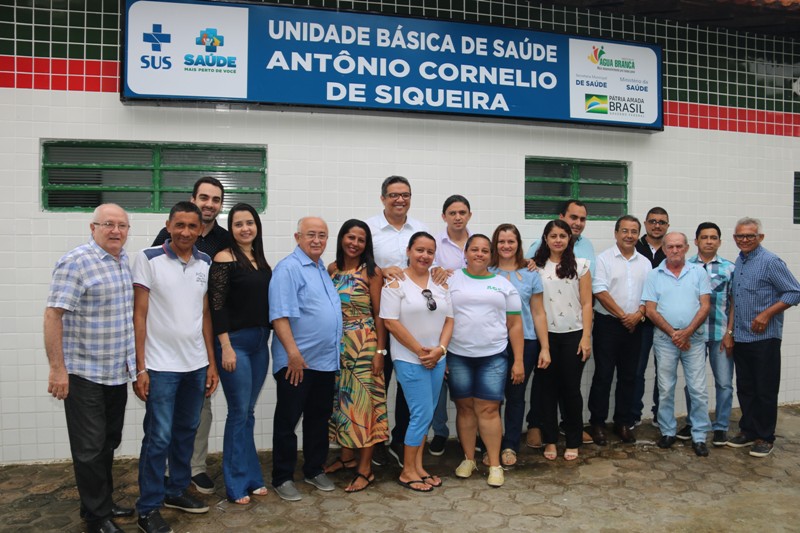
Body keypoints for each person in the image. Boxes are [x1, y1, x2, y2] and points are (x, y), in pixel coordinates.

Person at [44, 204, 135, 533]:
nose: (115, 231)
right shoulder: (76, 262)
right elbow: (53, 314)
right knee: (89, 448)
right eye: (108, 224)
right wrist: (58, 369)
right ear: (92, 227)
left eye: (122, 226)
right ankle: (97, 519)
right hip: (84, 373)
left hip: (115, 373)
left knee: (108, 441)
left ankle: (100, 503)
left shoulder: (124, 260)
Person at [133, 202, 219, 533]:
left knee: (186, 431)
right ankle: (148, 507)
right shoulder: (148, 258)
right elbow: (139, 314)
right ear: (168, 225)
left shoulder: (205, 261)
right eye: (179, 225)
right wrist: (140, 368)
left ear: (200, 230)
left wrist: (210, 362)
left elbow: (205, 314)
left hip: (195, 365)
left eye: (192, 227)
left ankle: (176, 489)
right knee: (158, 437)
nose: (185, 232)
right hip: (160, 366)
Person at [152, 176, 229, 494]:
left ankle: (195, 467)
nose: (209, 204)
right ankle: (167, 470)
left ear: (220, 205)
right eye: (204, 197)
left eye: (215, 199)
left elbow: (220, 297)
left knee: (201, 407)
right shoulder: (167, 235)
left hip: (204, 338)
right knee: (166, 410)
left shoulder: (224, 241)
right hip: (167, 343)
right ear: (193, 198)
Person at [268, 217, 342, 501]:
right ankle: (283, 477)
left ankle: (314, 469)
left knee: (317, 419)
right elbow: (279, 315)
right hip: (297, 363)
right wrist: (293, 355)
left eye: (322, 235)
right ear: (297, 237)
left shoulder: (321, 267)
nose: (317, 240)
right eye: (311, 235)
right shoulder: (289, 268)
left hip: (324, 361)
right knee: (287, 421)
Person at [207, 203, 272, 504]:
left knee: (247, 414)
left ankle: (252, 478)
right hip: (236, 344)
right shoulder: (224, 258)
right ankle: (235, 485)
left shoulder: (259, 259)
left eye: (249, 223)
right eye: (238, 224)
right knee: (238, 413)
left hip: (261, 344)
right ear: (230, 229)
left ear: (256, 226)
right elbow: (216, 307)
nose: (245, 228)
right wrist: (226, 347)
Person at [448, 234, 524, 487]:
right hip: (458, 355)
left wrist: (519, 361)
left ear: (491, 255)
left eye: (484, 250)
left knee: (489, 410)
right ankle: (469, 458)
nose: (479, 254)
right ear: (466, 253)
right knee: (465, 408)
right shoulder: (450, 279)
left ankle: (494, 464)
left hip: (493, 356)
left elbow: (514, 325)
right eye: (474, 249)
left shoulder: (504, 285)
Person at [380, 232, 454, 492]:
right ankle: (407, 471)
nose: (425, 256)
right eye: (420, 250)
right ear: (409, 251)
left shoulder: (440, 285)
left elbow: (449, 320)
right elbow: (390, 322)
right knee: (420, 413)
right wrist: (421, 352)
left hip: (436, 359)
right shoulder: (394, 285)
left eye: (430, 252)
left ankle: (418, 466)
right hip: (410, 360)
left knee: (426, 413)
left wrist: (441, 350)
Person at [366, 176, 429, 467]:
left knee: (409, 386)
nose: (399, 200)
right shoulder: (369, 229)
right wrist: (380, 270)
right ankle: (377, 444)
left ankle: (404, 440)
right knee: (378, 383)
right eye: (393, 195)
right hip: (378, 318)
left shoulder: (420, 230)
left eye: (405, 195)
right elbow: (356, 261)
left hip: (412, 321)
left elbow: (428, 264)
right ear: (382, 199)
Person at [324, 219, 389, 493]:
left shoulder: (372, 272)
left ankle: (366, 469)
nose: (355, 243)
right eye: (350, 237)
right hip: (337, 347)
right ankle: (347, 458)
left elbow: (379, 314)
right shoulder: (331, 269)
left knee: (364, 406)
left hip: (364, 346)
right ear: (342, 239)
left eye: (361, 240)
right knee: (341, 404)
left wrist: (380, 352)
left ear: (366, 244)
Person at [524, 200, 595, 448]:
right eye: (553, 236)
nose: (558, 240)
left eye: (562, 236)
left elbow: (587, 304)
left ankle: (573, 441)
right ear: (545, 238)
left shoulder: (581, 266)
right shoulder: (535, 267)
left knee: (571, 391)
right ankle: (551, 440)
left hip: (573, 335)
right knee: (547, 391)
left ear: (569, 239)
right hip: (545, 337)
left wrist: (586, 337)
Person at [727, 217, 800, 458]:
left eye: (750, 236)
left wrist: (767, 314)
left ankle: (765, 437)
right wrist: (730, 332)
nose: (744, 240)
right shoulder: (740, 261)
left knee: (765, 390)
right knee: (746, 388)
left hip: (764, 338)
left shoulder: (770, 262)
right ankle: (748, 431)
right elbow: (735, 299)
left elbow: (794, 291)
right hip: (741, 337)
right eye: (740, 236)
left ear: (760, 237)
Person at [642, 232, 712, 457]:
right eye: (670, 246)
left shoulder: (698, 272)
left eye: (679, 246)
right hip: (665, 340)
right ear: (663, 248)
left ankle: (699, 435)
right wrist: (674, 333)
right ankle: (668, 431)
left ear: (687, 248)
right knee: (665, 388)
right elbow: (650, 310)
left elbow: (705, 305)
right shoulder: (654, 275)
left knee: (698, 389)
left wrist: (687, 332)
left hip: (694, 339)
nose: (674, 250)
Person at [488, 224, 550, 466]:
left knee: (515, 395)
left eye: (510, 241)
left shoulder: (531, 273)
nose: (506, 246)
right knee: (490, 398)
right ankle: (489, 445)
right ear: (495, 244)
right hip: (493, 342)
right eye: (501, 241)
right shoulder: (486, 271)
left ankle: (510, 445)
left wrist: (544, 347)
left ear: (518, 244)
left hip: (526, 342)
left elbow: (538, 312)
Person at [587, 215, 651, 445]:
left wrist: (639, 314)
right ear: (616, 233)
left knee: (629, 376)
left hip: (636, 325)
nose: (629, 235)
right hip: (608, 325)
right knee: (603, 375)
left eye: (634, 231)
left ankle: (623, 422)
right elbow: (600, 290)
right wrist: (623, 316)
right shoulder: (603, 259)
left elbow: (650, 294)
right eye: (625, 231)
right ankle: (597, 424)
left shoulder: (645, 262)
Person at [676, 222, 735, 447]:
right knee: (693, 383)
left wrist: (730, 332)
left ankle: (720, 427)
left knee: (724, 383)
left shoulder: (730, 268)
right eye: (704, 237)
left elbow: (734, 304)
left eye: (713, 237)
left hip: (720, 334)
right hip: (695, 335)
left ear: (719, 241)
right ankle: (694, 422)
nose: (709, 241)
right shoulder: (686, 267)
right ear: (696, 241)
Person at [429, 194, 473, 456]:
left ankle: (474, 432)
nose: (458, 217)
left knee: (467, 381)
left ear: (469, 215)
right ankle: (440, 432)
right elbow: (433, 275)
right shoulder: (433, 243)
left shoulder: (479, 242)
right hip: (441, 319)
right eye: (453, 212)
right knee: (439, 382)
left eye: (463, 212)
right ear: (444, 216)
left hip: (470, 321)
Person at [631, 206, 670, 428]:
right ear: (645, 224)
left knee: (664, 371)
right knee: (637, 369)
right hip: (641, 321)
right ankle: (634, 414)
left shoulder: (672, 249)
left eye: (662, 222)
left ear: (667, 226)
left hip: (665, 322)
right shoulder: (634, 246)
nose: (657, 225)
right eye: (653, 221)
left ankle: (660, 415)